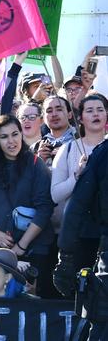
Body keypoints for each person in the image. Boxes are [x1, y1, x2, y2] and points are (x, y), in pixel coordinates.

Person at [0, 115, 55, 298]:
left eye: (15, 134)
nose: (11, 141)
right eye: (4, 136)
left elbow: (44, 208)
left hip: (32, 247)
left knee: (29, 300)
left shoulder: (35, 164)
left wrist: (22, 246)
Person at [55, 137, 108, 339]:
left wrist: (66, 257)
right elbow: (77, 206)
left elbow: (76, 206)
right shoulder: (103, 153)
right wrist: (66, 258)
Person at [51, 94, 107, 271]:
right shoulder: (68, 149)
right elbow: (55, 194)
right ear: (80, 118)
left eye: (100, 110)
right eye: (89, 111)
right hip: (78, 233)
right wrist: (76, 176)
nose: (95, 114)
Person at [34, 96, 77, 167]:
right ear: (44, 118)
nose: (54, 114)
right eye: (49, 111)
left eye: (59, 109)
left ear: (70, 115)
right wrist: (40, 161)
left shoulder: (82, 141)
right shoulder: (36, 147)